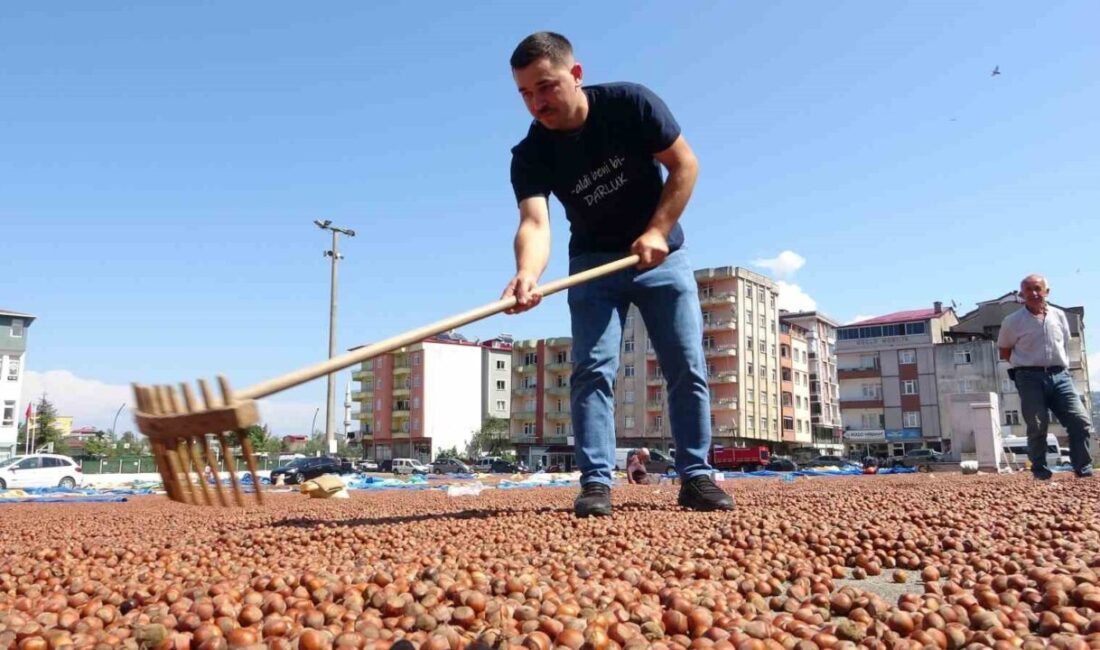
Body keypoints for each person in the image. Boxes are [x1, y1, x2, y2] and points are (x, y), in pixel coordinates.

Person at [501, 32, 734, 517]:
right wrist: (526, 273)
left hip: (662, 256)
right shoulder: (530, 153)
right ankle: (595, 483)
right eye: (524, 93)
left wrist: (658, 230)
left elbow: (685, 165)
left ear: (576, 75)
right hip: (592, 263)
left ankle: (696, 476)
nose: (537, 103)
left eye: (545, 87)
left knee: (685, 364)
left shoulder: (631, 104)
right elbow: (535, 222)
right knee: (591, 371)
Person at [997, 274, 1093, 479]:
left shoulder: (1059, 316)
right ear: (1021, 295)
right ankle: (1040, 472)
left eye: (1037, 288)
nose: (1033, 293)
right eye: (1028, 290)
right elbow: (1004, 350)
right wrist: (1023, 367)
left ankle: (1083, 469)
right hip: (1029, 377)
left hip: (1060, 376)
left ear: (1046, 292)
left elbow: (1064, 343)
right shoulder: (1012, 321)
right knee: (1037, 425)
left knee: (1080, 421)